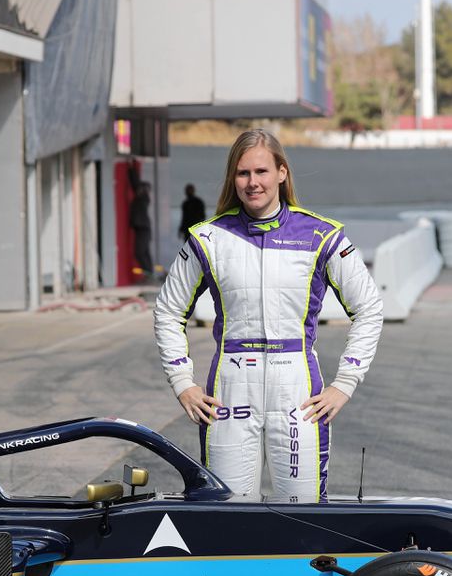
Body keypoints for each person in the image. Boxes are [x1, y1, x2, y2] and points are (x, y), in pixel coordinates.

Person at [153, 128, 383, 502]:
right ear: (233, 178)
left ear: (282, 172)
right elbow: (167, 310)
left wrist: (345, 383)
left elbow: (369, 307)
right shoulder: (207, 238)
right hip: (230, 390)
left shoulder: (322, 236)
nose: (252, 182)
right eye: (243, 173)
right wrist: (183, 382)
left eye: (261, 172)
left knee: (304, 519)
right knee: (227, 517)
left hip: (296, 392)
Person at [130, 181, 153, 278]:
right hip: (142, 228)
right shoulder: (140, 198)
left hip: (143, 229)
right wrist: (131, 168)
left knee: (140, 252)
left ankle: (148, 272)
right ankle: (149, 272)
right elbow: (135, 183)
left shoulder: (144, 198)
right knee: (144, 252)